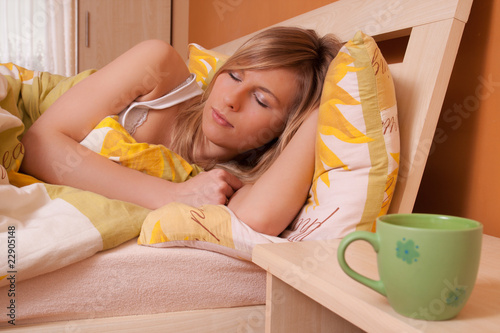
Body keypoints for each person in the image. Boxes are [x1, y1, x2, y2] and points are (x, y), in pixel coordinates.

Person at [19, 27, 341, 236]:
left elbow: (256, 219)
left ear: (285, 130)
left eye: (260, 100)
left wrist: (320, 109)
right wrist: (171, 196)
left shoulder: (231, 182)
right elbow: (36, 145)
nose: (230, 99)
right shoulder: (159, 69)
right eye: (235, 75)